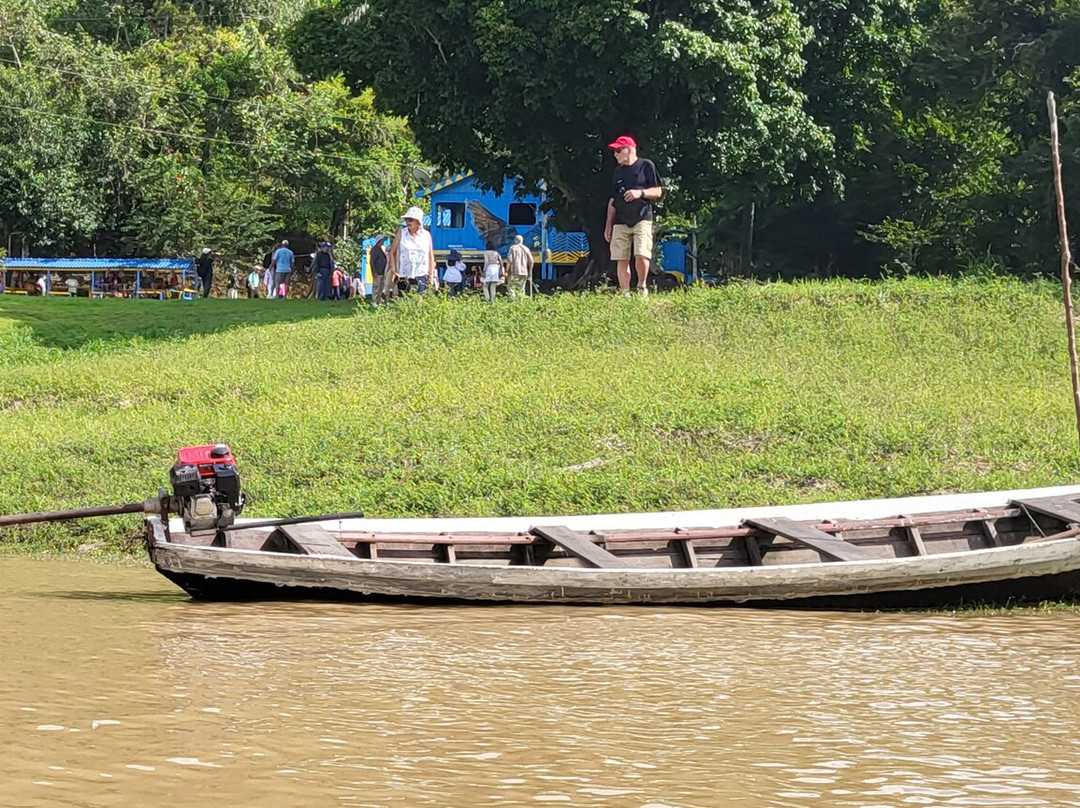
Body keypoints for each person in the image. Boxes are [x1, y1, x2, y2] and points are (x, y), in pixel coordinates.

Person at [604, 135, 662, 296]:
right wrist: (608, 225)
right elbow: (612, 200)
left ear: (629, 150)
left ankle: (642, 287)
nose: (615, 154)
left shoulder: (646, 166)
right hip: (620, 220)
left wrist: (640, 193)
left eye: (618, 150)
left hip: (642, 218)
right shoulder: (617, 172)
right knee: (620, 257)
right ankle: (625, 293)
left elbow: (658, 191)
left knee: (641, 253)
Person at [388, 207, 437, 295]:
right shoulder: (401, 233)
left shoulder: (426, 235)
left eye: (410, 220)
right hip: (404, 273)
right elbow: (392, 252)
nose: (408, 222)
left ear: (418, 221)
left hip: (421, 273)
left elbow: (430, 256)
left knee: (419, 299)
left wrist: (431, 275)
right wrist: (394, 270)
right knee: (404, 300)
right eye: (406, 220)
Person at [505, 235, 533, 300]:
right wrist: (530, 271)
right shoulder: (526, 249)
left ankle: (512, 302)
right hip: (524, 272)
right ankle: (521, 303)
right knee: (522, 288)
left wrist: (506, 270)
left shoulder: (512, 248)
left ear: (516, 240)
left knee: (511, 287)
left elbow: (509, 260)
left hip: (514, 271)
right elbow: (531, 261)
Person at [369, 236, 391, 306]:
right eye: (382, 240)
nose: (383, 242)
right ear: (379, 241)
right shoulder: (374, 249)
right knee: (376, 286)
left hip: (382, 272)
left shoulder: (380, 249)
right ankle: (374, 301)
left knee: (381, 287)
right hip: (377, 272)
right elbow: (372, 261)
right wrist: (374, 271)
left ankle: (378, 301)